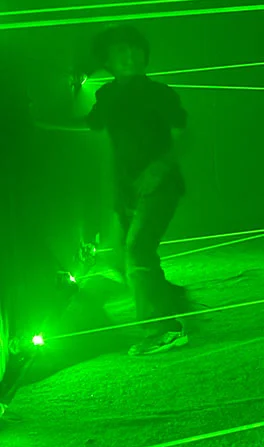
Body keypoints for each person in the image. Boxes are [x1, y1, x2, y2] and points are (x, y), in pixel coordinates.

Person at [43, 26, 191, 356]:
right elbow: (89, 124)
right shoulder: (108, 96)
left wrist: (160, 167)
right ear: (108, 60)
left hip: (160, 186)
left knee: (138, 251)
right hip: (127, 190)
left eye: (134, 50)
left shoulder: (160, 93)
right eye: (120, 51)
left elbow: (186, 136)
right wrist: (39, 122)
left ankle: (161, 329)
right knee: (119, 255)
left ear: (144, 56)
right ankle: (172, 302)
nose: (129, 56)